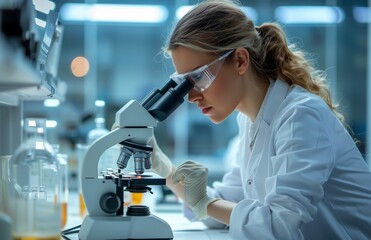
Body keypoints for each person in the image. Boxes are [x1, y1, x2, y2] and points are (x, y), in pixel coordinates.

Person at [149, 0, 371, 239]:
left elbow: (279, 227)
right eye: (184, 83)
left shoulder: (301, 115)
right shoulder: (250, 120)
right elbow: (226, 206)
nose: (191, 96)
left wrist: (204, 202)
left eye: (199, 77)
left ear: (241, 61)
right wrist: (165, 168)